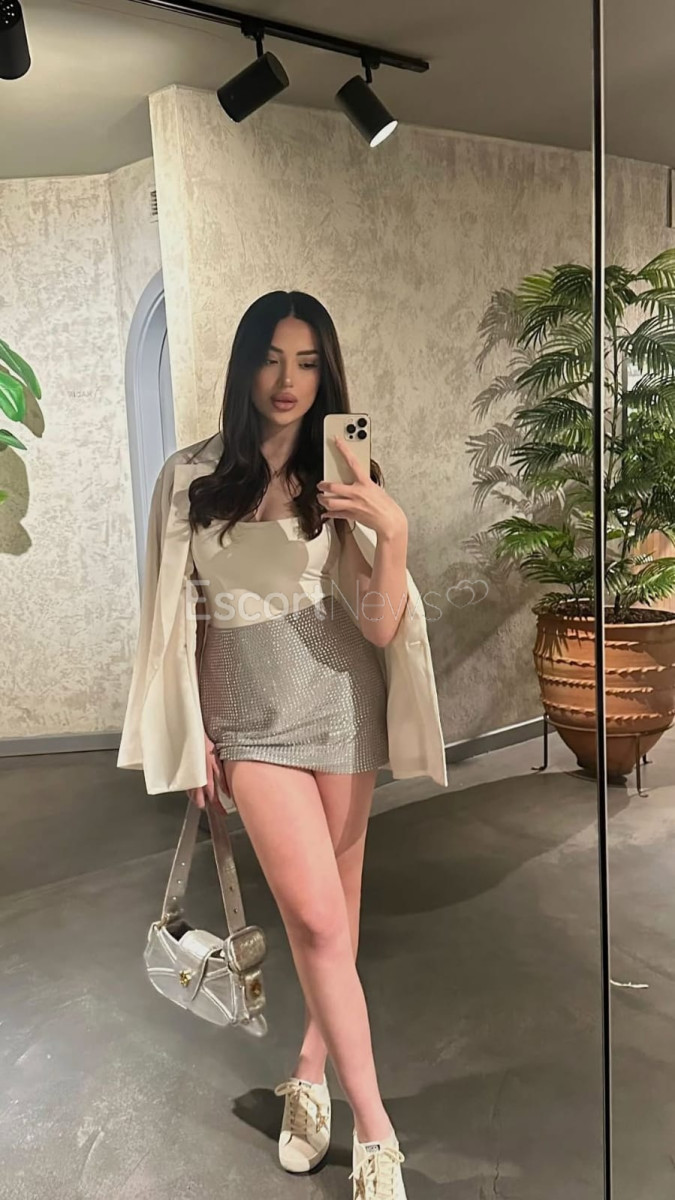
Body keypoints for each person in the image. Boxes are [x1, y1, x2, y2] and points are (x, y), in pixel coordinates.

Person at [119, 289, 448, 1200]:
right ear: (244, 365)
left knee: (332, 921)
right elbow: (175, 616)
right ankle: (376, 1131)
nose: (288, 380)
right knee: (313, 920)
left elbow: (375, 625)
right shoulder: (190, 475)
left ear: (324, 371)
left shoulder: (338, 472)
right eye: (271, 357)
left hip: (340, 698)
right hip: (245, 714)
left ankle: (309, 1076)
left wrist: (392, 530)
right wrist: (192, 735)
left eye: (306, 361)